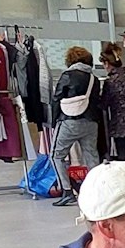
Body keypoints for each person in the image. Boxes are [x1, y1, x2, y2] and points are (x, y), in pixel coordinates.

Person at [49, 45, 103, 207]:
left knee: (56, 155)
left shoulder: (67, 76)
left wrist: (54, 122)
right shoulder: (93, 78)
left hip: (69, 121)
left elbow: (56, 99)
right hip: (91, 122)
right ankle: (97, 191)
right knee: (91, 157)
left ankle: (67, 191)